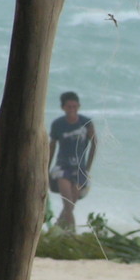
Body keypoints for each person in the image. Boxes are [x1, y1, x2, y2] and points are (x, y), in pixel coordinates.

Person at [48, 91, 96, 230]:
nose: (72, 110)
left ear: (79, 106)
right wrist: (46, 169)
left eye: (75, 106)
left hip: (79, 168)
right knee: (68, 204)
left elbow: (94, 144)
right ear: (63, 107)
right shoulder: (58, 124)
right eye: (69, 107)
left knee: (71, 205)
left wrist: (88, 168)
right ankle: (72, 234)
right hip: (62, 167)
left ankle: (56, 228)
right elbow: (52, 147)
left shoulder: (86, 123)